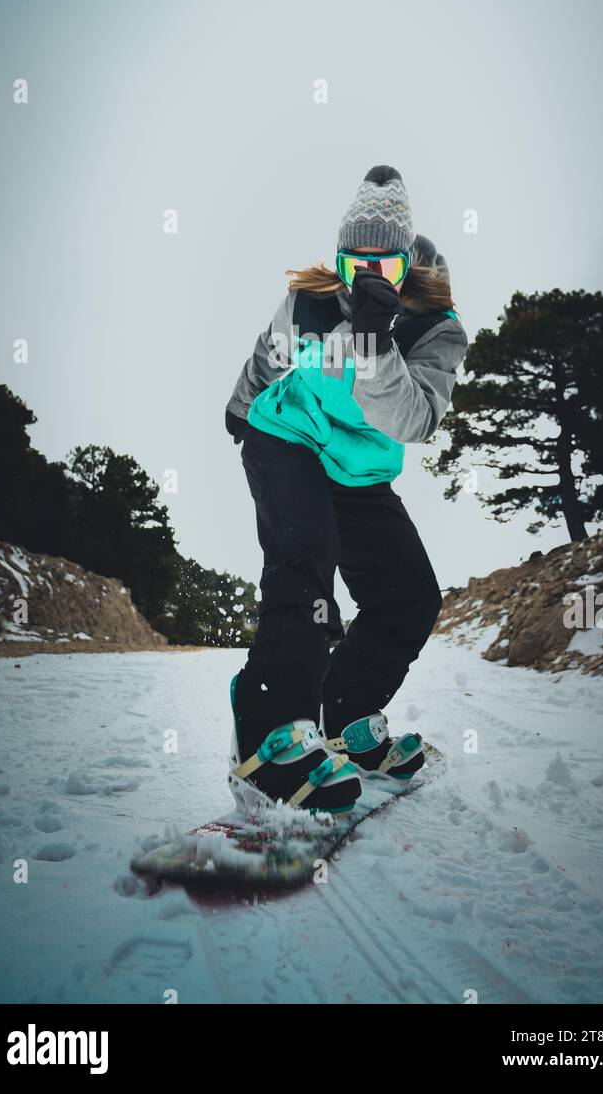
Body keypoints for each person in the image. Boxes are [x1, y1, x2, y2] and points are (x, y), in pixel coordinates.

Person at [223, 165, 468, 815]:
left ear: (406, 266)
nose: (365, 278)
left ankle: (344, 719)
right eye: (352, 262)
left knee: (408, 596)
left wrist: (373, 343)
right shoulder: (311, 299)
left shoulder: (435, 329)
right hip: (287, 438)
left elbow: (412, 419)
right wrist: (240, 404)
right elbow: (268, 355)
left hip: (358, 471)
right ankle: (267, 735)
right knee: (306, 565)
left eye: (381, 266)